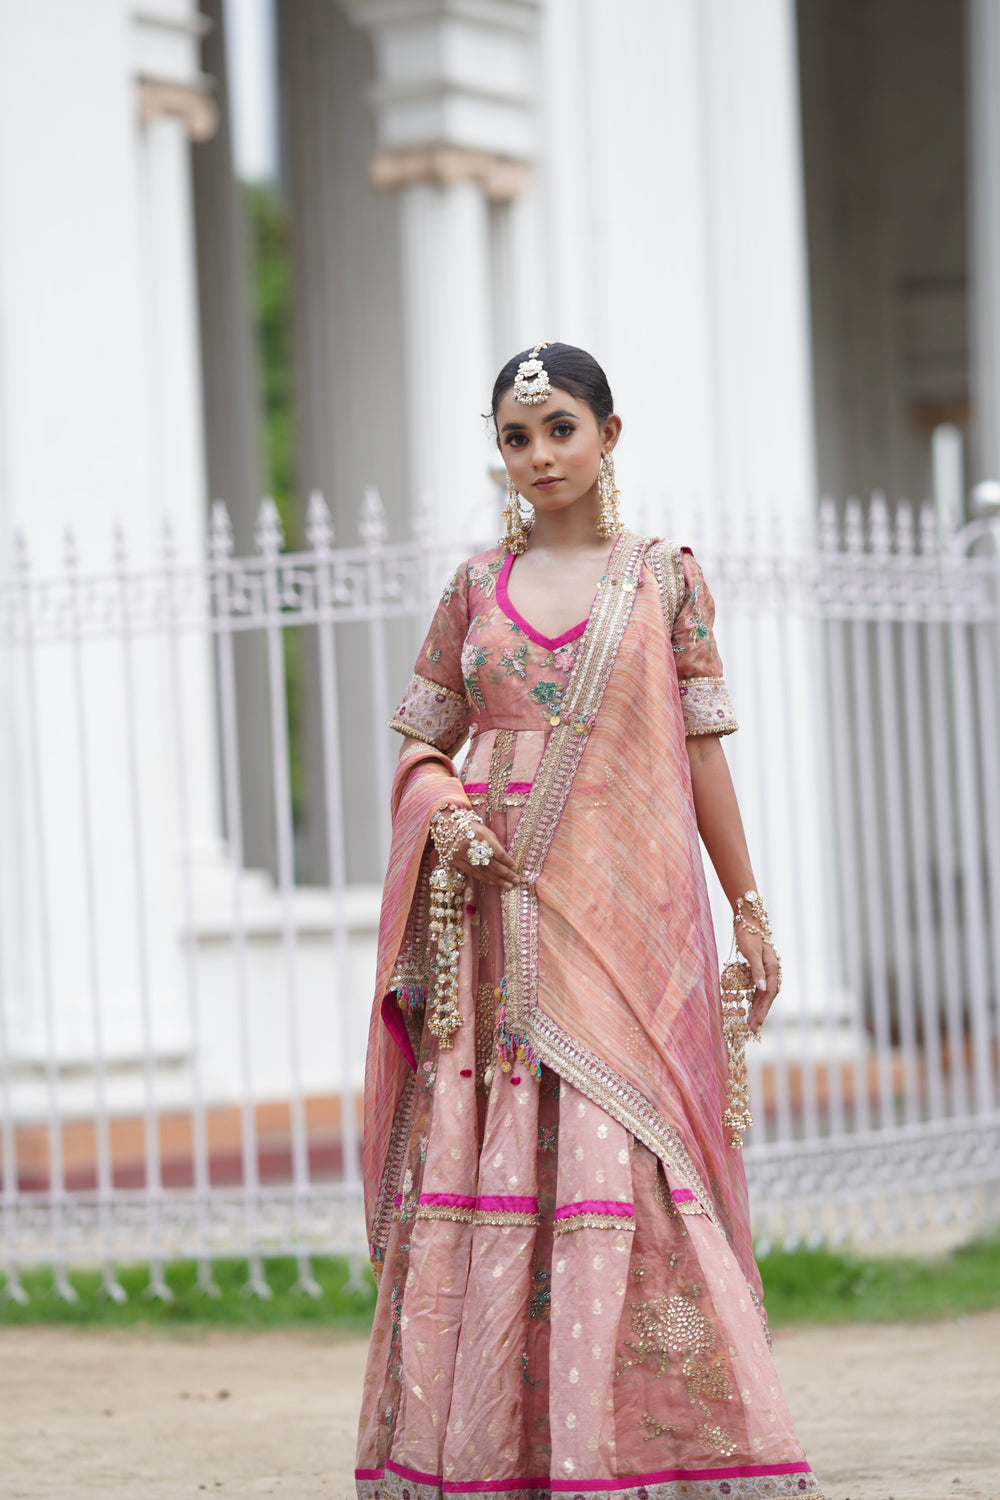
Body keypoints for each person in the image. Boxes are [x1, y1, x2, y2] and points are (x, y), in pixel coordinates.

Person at [355, 343, 823, 1498]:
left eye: (560, 427)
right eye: (516, 436)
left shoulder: (663, 578)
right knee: (494, 1171)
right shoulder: (471, 589)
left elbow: (702, 756)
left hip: (621, 928)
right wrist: (445, 806)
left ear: (609, 435)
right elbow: (420, 740)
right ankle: (487, 1454)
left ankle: (635, 1454)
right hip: (493, 930)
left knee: (631, 1165)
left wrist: (748, 911)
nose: (538, 455)